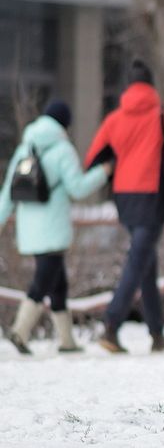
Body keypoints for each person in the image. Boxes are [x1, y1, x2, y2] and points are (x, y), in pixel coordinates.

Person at [85, 60, 164, 354]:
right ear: (151, 86)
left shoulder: (115, 119)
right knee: (139, 259)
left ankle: (157, 333)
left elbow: (93, 158)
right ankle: (111, 325)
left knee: (145, 260)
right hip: (152, 195)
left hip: (124, 197)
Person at [0, 101, 112, 355]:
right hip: (52, 228)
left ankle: (67, 341)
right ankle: (20, 330)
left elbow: (8, 192)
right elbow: (78, 189)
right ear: (64, 125)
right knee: (43, 281)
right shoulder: (63, 150)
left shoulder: (25, 148)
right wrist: (103, 173)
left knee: (58, 283)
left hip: (28, 229)